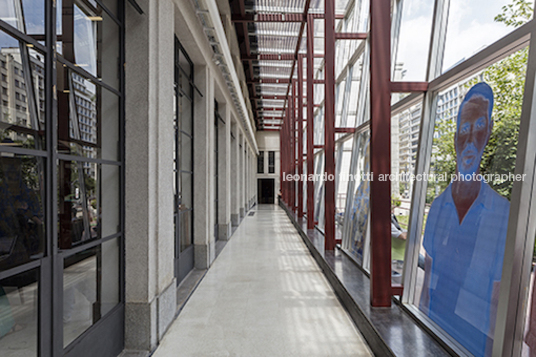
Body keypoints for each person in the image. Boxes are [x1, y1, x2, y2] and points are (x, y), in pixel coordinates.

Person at [419, 83, 510, 357]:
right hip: (433, 333)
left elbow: (497, 299)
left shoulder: (502, 214)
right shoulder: (437, 207)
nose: (470, 139)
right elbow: (427, 281)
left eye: (479, 125)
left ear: (489, 131)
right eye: (464, 128)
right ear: (456, 135)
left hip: (473, 344)